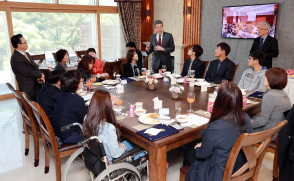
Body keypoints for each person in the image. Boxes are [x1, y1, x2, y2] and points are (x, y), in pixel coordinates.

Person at [183, 82, 253, 181]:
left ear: (219, 101)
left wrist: (200, 148)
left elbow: (203, 155)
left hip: (220, 172)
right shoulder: (245, 117)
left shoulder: (216, 126)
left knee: (188, 151)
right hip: (240, 164)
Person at [82, 89, 146, 164]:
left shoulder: (86, 118)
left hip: (98, 158)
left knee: (127, 143)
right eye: (111, 102)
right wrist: (122, 148)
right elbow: (115, 155)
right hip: (112, 163)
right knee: (140, 149)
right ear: (106, 105)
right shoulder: (108, 128)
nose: (112, 104)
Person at [251, 67, 291, 140]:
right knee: (250, 117)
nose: (264, 78)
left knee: (238, 128)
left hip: (269, 132)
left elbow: (262, 121)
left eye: (266, 77)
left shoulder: (270, 96)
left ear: (271, 79)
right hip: (278, 130)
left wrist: (247, 124)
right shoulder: (283, 93)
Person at [52, 70, 87, 144]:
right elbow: (86, 120)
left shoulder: (62, 94)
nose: (82, 80)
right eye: (81, 80)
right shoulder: (77, 100)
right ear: (76, 84)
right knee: (99, 132)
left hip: (58, 132)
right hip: (68, 136)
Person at [10, 34, 45, 101]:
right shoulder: (16, 58)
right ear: (19, 45)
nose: (27, 44)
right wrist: (40, 74)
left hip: (35, 84)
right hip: (28, 88)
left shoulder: (26, 54)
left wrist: (39, 75)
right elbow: (26, 72)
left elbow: (35, 67)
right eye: (25, 42)